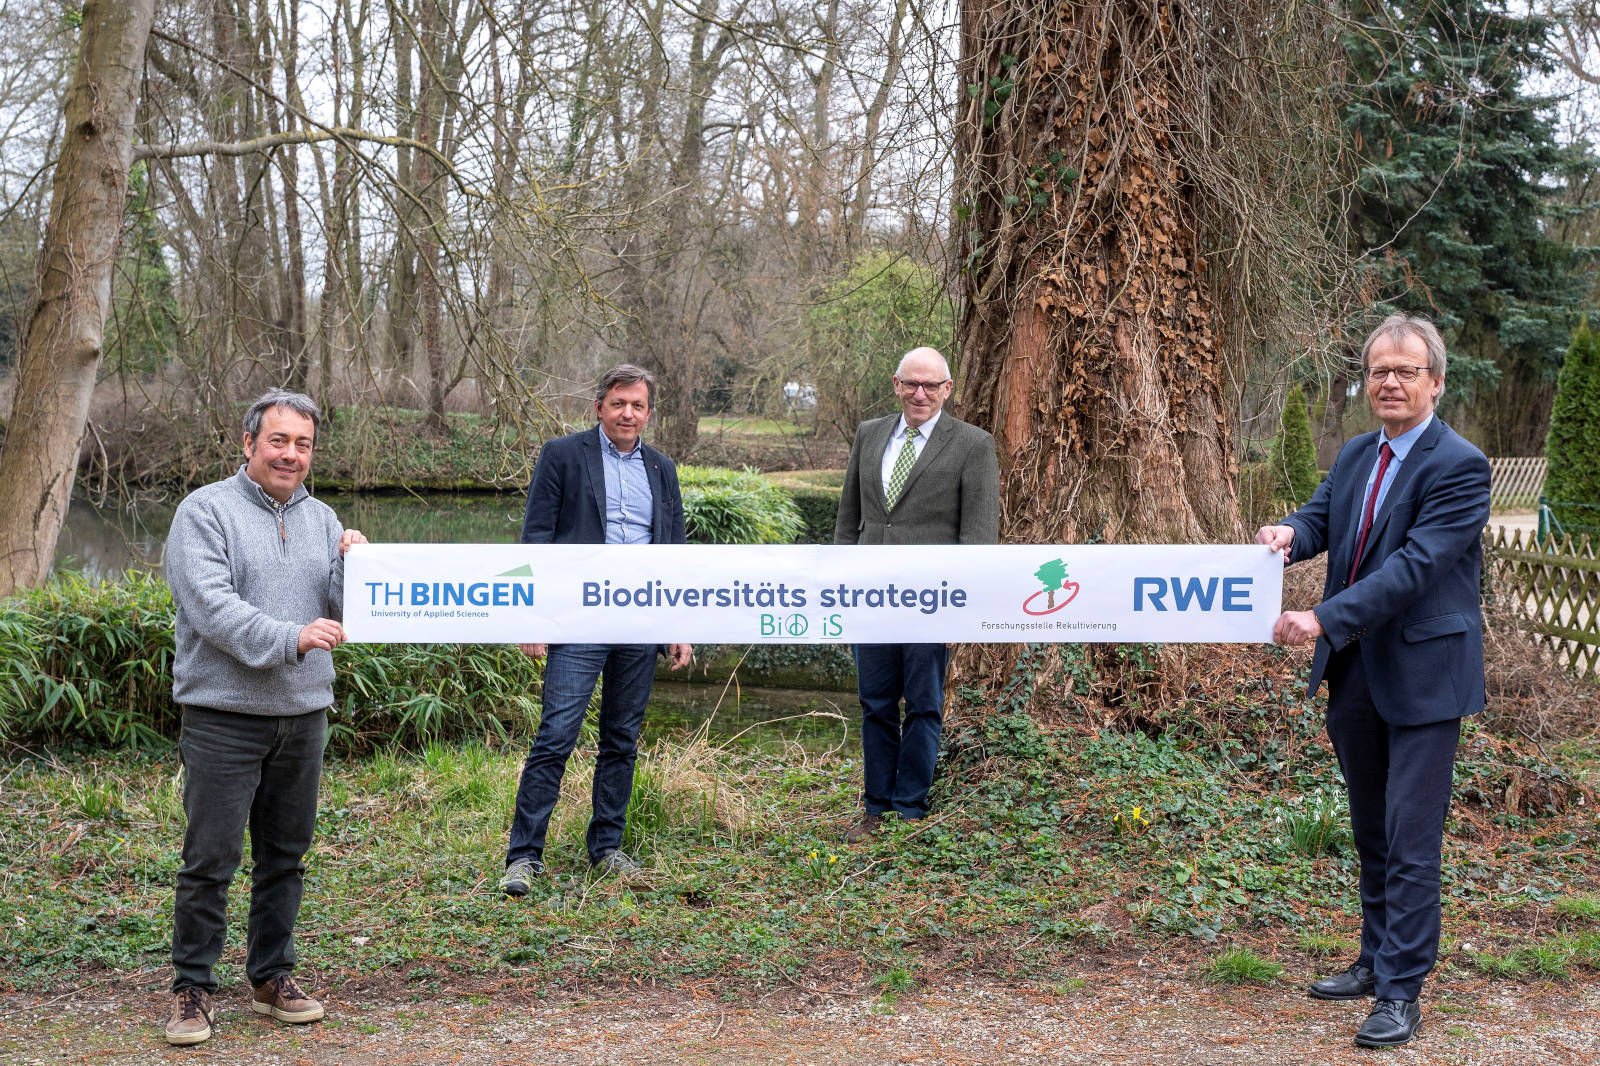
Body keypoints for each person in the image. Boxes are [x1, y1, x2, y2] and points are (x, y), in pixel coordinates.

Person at [1257, 315, 1491, 1049]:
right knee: (1371, 832)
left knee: (1411, 839)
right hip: (1356, 672)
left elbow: (1414, 568)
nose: (1390, 382)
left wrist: (1322, 616)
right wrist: (1289, 532)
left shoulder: (1459, 465)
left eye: (1407, 371)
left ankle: (1401, 993)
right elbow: (1325, 518)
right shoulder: (1360, 452)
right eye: (1379, 370)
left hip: (1425, 677)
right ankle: (1375, 958)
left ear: (1436, 382)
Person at [162, 389, 366, 1046]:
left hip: (303, 715)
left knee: (286, 856)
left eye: (303, 444)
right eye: (279, 441)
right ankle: (191, 987)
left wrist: (360, 567)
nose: (291, 455)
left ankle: (271, 976)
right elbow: (211, 608)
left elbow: (345, 613)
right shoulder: (204, 513)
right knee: (211, 857)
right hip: (223, 715)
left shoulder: (324, 519)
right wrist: (289, 639)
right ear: (248, 444)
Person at [499, 365, 693, 895]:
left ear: (649, 413)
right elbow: (536, 537)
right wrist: (533, 616)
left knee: (621, 739)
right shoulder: (563, 455)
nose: (628, 413)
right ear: (599, 408)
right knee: (556, 734)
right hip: (577, 618)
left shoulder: (662, 468)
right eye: (618, 404)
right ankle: (524, 856)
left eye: (637, 405)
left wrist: (678, 624)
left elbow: (673, 549)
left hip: (640, 620)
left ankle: (606, 848)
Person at [833, 347, 1000, 841]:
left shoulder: (973, 444)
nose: (920, 394)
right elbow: (849, 522)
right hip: (871, 599)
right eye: (912, 384)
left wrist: (958, 605)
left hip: (932, 601)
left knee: (923, 704)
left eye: (931, 386)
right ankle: (875, 808)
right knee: (875, 703)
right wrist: (843, 588)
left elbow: (978, 538)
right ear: (896, 384)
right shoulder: (869, 435)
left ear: (948, 389)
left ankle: (910, 809)